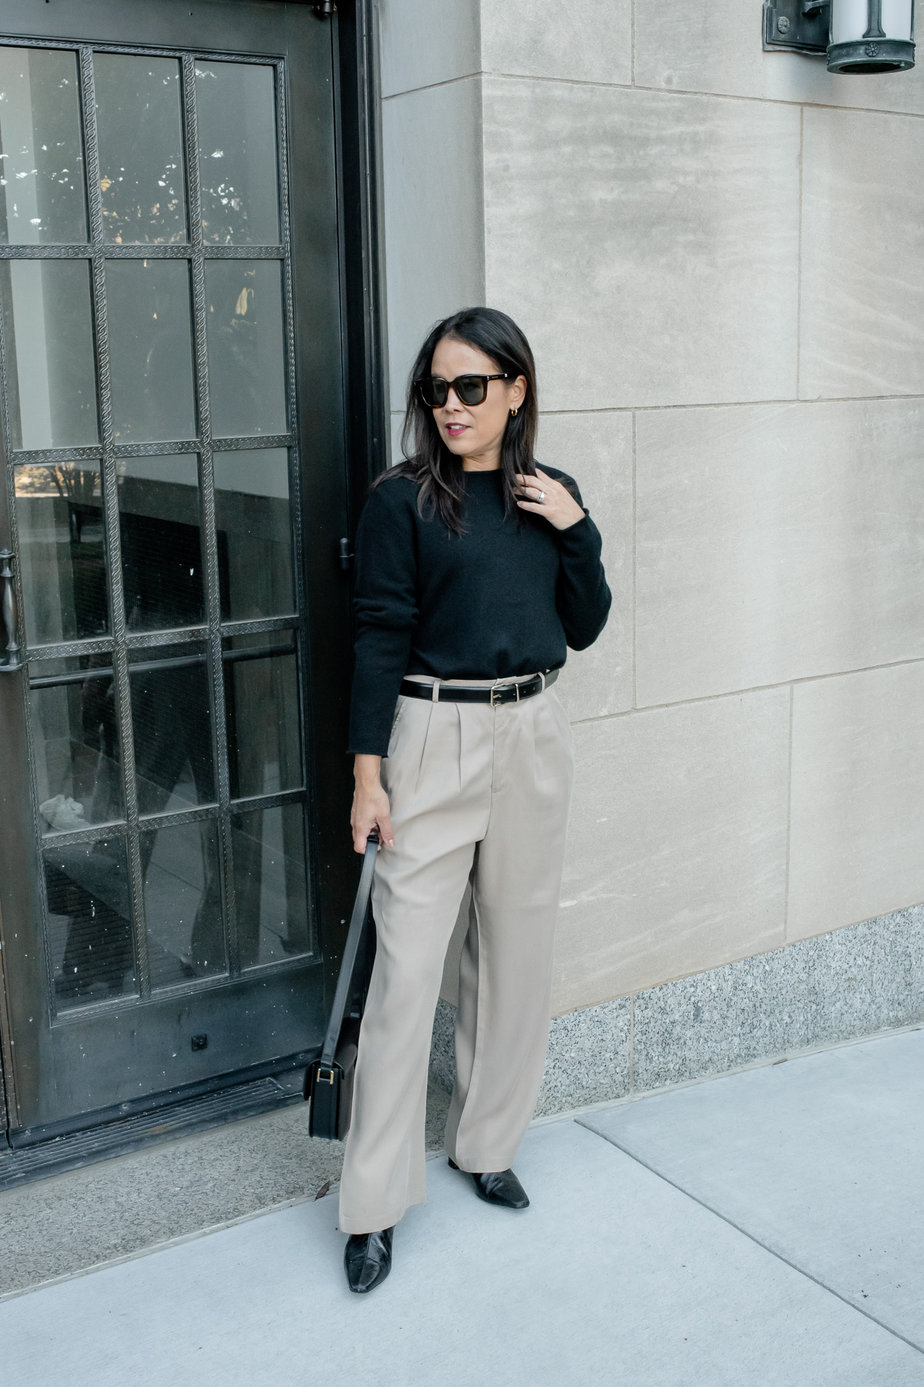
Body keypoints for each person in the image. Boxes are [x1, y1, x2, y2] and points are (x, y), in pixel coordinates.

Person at [339, 306, 611, 1293]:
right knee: (408, 975)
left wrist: (576, 533)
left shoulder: (554, 495)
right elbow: (376, 634)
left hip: (532, 732)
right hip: (432, 736)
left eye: (470, 388)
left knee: (516, 957)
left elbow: (585, 625)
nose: (449, 407)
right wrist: (368, 775)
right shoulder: (403, 502)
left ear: (516, 391)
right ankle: (372, 1203)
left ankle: (486, 1146)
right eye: (436, 391)